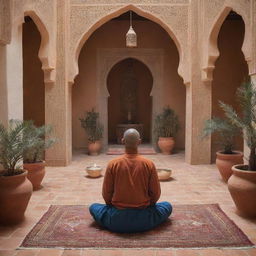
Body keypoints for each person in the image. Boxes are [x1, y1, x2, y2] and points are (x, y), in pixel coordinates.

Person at [89, 128, 172, 233]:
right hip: (144, 219)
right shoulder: (148, 164)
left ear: (123, 141)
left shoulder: (113, 164)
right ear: (140, 142)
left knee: (93, 207)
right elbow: (155, 193)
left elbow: (106, 193)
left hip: (116, 219)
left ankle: (117, 221)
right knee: (167, 206)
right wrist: (149, 207)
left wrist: (112, 207)